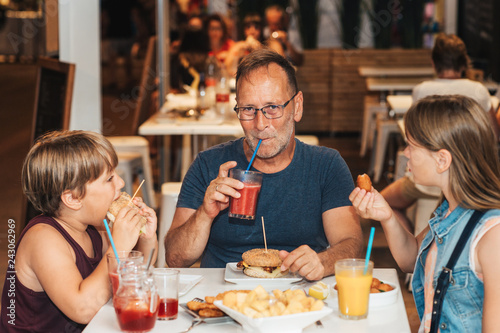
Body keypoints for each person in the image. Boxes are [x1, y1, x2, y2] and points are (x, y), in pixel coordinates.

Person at [164, 49, 363, 281]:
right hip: (223, 300)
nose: (260, 124)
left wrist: (323, 261)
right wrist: (205, 215)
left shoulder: (326, 165)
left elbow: (353, 245)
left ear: (297, 107)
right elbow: (175, 258)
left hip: (300, 298)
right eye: (248, 109)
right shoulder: (209, 164)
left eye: (272, 107)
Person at [350, 95, 500, 332]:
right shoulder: (449, 211)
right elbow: (411, 258)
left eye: (411, 145)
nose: (405, 153)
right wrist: (387, 215)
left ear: (442, 160)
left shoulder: (492, 235)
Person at [0, 131, 158, 332]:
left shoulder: (96, 227)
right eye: (109, 178)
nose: (121, 183)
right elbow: (83, 309)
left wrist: (146, 237)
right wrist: (119, 246)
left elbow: (133, 277)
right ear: (73, 198)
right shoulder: (42, 239)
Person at [380, 33, 498, 232]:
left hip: (428, 180)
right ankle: (421, 248)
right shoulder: (479, 90)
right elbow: (493, 135)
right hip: (469, 175)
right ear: (464, 64)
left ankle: (415, 243)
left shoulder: (421, 90)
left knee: (384, 200)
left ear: (434, 63)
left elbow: (416, 134)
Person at [224, 13, 284, 77]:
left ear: (261, 29)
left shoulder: (272, 44)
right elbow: (226, 67)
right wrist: (241, 48)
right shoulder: (239, 46)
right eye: (248, 27)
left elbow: (281, 67)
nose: (252, 31)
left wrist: (259, 49)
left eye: (256, 27)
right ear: (244, 30)